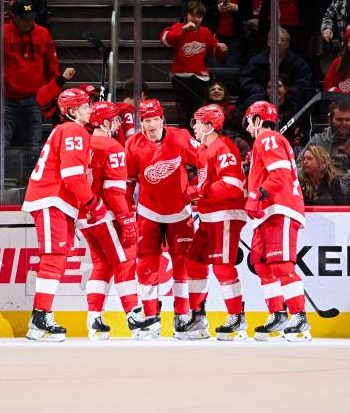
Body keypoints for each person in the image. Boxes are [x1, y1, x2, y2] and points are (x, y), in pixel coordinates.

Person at [21, 88, 99, 342]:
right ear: (73, 111)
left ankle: (39, 319)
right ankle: (41, 316)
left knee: (57, 257)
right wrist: (91, 202)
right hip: (51, 198)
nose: (90, 109)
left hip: (57, 200)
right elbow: (72, 176)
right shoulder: (73, 130)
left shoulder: (68, 130)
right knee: (54, 256)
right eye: (85, 105)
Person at [80, 101, 160, 340]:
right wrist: (126, 219)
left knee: (101, 266)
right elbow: (114, 191)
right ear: (104, 122)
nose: (117, 124)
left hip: (84, 216)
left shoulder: (84, 143)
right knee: (125, 262)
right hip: (106, 214)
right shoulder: (112, 146)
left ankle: (94, 319)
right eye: (114, 120)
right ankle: (135, 317)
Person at [125, 99, 201, 339]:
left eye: (154, 119)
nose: (150, 125)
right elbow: (128, 182)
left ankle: (183, 316)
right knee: (146, 264)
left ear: (162, 119)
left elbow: (205, 163)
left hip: (180, 212)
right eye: (145, 120)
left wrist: (193, 190)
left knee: (181, 263)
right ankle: (150, 317)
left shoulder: (180, 137)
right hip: (148, 212)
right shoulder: (132, 144)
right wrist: (127, 211)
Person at [242, 101, 311, 342]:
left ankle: (299, 317)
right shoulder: (266, 142)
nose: (248, 129)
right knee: (262, 264)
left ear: (258, 120)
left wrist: (256, 194)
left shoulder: (267, 138)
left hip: (280, 207)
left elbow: (280, 177)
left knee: (281, 265)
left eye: (249, 122)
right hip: (268, 211)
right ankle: (278, 314)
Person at [184, 104, 248, 340]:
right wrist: (196, 189)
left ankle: (237, 319)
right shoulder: (204, 149)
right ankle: (198, 315)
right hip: (210, 216)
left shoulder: (223, 148)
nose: (195, 126)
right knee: (194, 261)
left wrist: (200, 190)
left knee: (222, 266)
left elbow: (232, 186)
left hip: (226, 215)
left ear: (209, 126)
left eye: (198, 122)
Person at [0, 0, 59, 166]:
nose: (29, 21)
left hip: (35, 96)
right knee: (2, 141)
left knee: (33, 143)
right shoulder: (2, 33)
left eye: (31, 17)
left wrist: (53, 93)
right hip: (8, 96)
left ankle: (32, 177)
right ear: (14, 17)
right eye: (25, 18)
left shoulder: (43, 33)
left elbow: (52, 66)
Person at [161, 0, 228, 129]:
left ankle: (196, 137)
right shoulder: (178, 27)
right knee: (183, 112)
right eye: (193, 15)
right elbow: (165, 39)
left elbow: (217, 53)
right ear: (187, 15)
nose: (196, 19)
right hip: (181, 77)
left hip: (200, 78)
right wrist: (182, 30)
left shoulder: (206, 32)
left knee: (197, 111)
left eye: (199, 16)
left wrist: (222, 49)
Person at [300, 102, 350, 194]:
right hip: (315, 190)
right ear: (329, 120)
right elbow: (299, 164)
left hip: (346, 195)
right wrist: (309, 184)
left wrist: (335, 189)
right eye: (339, 120)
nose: (344, 123)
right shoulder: (317, 140)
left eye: (347, 120)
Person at [239, 27, 312, 109]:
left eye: (281, 40)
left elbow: (303, 84)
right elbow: (246, 80)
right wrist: (265, 92)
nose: (277, 43)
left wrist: (285, 92)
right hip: (261, 97)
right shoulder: (255, 61)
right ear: (268, 42)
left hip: (288, 99)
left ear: (287, 44)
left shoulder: (298, 63)